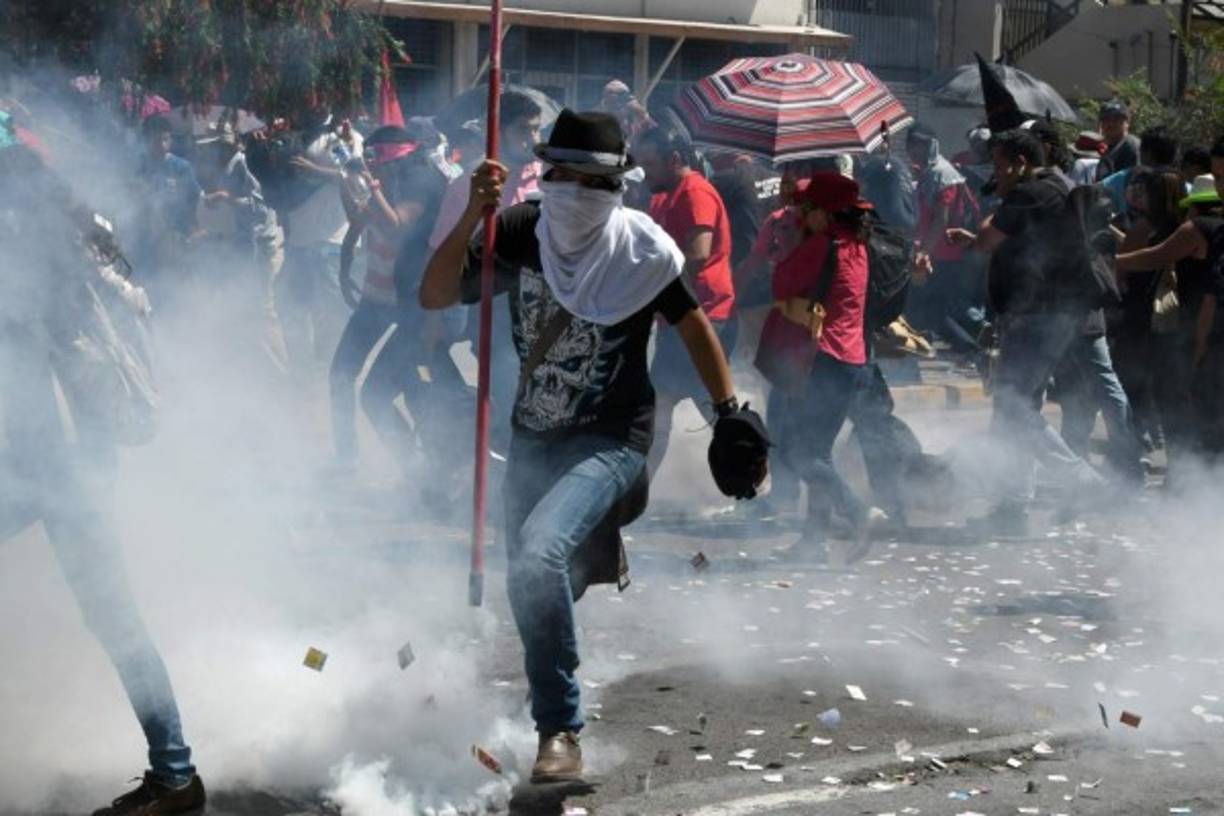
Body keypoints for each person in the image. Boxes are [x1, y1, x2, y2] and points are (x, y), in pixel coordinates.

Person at [420, 110, 765, 783]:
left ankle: (559, 732)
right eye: (561, 175)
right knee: (535, 579)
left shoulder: (641, 252)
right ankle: (562, 633)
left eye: (589, 179)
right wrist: (471, 211)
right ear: (544, 173)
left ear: (617, 186)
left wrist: (727, 411)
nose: (572, 190)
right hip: (532, 439)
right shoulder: (520, 229)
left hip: (612, 443)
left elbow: (694, 327)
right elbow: (434, 294)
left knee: (541, 556)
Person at [0, 145, 204, 816]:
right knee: (114, 619)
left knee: (115, 618)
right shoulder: (77, 252)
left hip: (54, 466)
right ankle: (174, 773)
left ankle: (176, 776)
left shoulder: (31, 268)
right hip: (69, 462)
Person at [948, 129, 1104, 535]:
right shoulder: (1056, 187)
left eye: (1000, 166)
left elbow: (987, 239)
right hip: (1050, 312)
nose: (995, 174)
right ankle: (1013, 508)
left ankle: (1080, 480)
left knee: (1014, 405)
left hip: (1039, 314)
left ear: (1020, 162)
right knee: (1016, 411)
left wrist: (994, 210)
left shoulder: (1031, 193)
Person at [758, 172, 889, 561]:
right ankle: (812, 543)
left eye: (807, 209)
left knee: (799, 453)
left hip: (823, 360)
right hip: (851, 361)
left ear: (823, 212)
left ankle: (856, 511)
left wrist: (793, 244)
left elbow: (781, 286)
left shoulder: (821, 245)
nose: (801, 214)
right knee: (820, 452)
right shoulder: (860, 245)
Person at [431, 91, 546, 455]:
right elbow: (443, 254)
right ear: (497, 133)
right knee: (511, 397)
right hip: (496, 312)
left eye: (537, 130)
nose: (533, 139)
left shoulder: (550, 180)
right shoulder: (468, 186)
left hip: (548, 308)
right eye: (523, 131)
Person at [326, 123, 441, 474]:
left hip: (411, 306)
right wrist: (346, 269)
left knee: (399, 389)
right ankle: (348, 458)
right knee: (341, 374)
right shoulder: (385, 184)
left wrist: (372, 186)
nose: (374, 167)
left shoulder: (420, 184)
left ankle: (419, 464)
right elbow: (357, 222)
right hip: (375, 300)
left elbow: (395, 225)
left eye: (378, 160)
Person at [1116, 140, 1224, 467]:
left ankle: (1189, 483)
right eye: (1217, 177)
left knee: (1189, 410)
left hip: (1193, 336)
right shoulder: (1214, 229)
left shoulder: (1198, 228)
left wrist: (1200, 349)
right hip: (1192, 333)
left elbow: (1210, 297)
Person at [637, 126, 737, 477]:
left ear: (675, 159)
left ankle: (634, 492)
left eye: (650, 164)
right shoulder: (664, 194)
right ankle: (755, 476)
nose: (645, 172)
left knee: (661, 406)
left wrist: (650, 292)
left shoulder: (695, 192)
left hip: (704, 317)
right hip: (681, 320)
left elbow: (696, 255)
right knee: (708, 405)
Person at [197, 121, 290, 372]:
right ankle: (258, 368)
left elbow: (260, 207)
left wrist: (227, 199)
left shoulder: (243, 164)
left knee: (264, 308)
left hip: (264, 244)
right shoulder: (227, 167)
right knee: (246, 305)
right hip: (247, 243)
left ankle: (283, 373)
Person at [280, 114, 365, 376]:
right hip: (299, 238)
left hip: (331, 239)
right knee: (292, 305)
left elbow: (352, 177)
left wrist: (314, 170)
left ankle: (335, 370)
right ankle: (303, 372)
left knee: (331, 311)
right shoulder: (293, 130)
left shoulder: (335, 138)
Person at [906, 125, 982, 355]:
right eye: (911, 144)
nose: (913, 150)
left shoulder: (942, 173)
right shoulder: (930, 171)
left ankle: (973, 344)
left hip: (943, 255)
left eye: (919, 145)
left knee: (930, 310)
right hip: (935, 252)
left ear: (930, 145)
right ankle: (975, 336)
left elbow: (941, 218)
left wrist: (924, 252)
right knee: (935, 308)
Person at [132, 115, 206, 306]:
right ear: (146, 140)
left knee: (176, 290)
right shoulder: (138, 166)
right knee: (149, 288)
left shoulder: (181, 167)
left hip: (175, 237)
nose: (162, 145)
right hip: (146, 240)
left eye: (166, 139)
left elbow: (194, 201)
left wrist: (195, 231)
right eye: (157, 140)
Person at [1094, 101, 1140, 182]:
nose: (1110, 124)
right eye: (1106, 120)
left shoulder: (1131, 146)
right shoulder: (1111, 149)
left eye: (1116, 119)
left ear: (1127, 122)